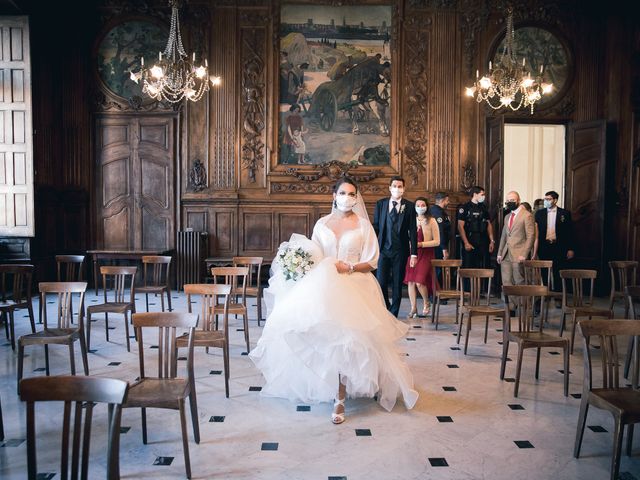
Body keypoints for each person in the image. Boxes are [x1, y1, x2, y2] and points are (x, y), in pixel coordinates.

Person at [250, 177, 418, 425]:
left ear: (356, 198)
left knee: (349, 342)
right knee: (321, 339)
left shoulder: (363, 225)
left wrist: (348, 267)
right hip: (323, 286)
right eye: (343, 193)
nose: (347, 198)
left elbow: (372, 260)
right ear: (334, 195)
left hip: (355, 286)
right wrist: (299, 263)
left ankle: (340, 398)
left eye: (352, 194)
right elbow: (313, 254)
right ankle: (327, 385)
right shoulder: (321, 224)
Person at [373, 176, 418, 317]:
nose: (397, 188)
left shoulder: (409, 206)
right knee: (381, 282)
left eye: (400, 186)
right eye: (394, 186)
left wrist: (414, 254)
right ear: (389, 188)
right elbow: (376, 227)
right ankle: (386, 308)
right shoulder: (381, 204)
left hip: (400, 250)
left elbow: (413, 231)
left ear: (403, 189)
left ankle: (394, 313)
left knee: (398, 283)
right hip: (383, 250)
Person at [496, 191, 535, 314]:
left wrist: (525, 253)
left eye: (512, 200)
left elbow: (531, 236)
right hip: (506, 254)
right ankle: (512, 307)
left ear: (518, 200)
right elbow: (503, 236)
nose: (509, 202)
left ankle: (524, 307)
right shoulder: (507, 216)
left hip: (519, 253)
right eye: (508, 200)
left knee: (519, 281)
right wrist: (499, 252)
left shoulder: (526, 215)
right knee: (507, 282)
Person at [404, 197, 440, 318]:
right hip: (412, 253)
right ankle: (413, 308)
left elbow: (437, 241)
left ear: (427, 206)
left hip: (426, 253)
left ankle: (426, 302)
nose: (420, 207)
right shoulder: (410, 220)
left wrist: (421, 244)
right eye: (418, 205)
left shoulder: (431, 221)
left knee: (419, 282)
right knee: (410, 282)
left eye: (422, 205)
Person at [535, 190, 575, 294]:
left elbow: (570, 232)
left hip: (559, 246)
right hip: (544, 246)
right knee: (544, 271)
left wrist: (570, 248)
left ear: (555, 200)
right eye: (545, 199)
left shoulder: (564, 213)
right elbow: (535, 232)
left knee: (558, 271)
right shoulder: (539, 213)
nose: (546, 201)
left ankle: (558, 295)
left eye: (548, 199)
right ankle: (545, 293)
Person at [457, 186, 495, 269]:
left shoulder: (483, 208)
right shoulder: (464, 208)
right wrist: (466, 242)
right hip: (470, 240)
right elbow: (460, 226)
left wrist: (492, 241)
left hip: (483, 241)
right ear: (475, 194)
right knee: (469, 267)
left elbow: (488, 224)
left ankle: (484, 283)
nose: (484, 196)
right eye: (482, 194)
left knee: (484, 267)